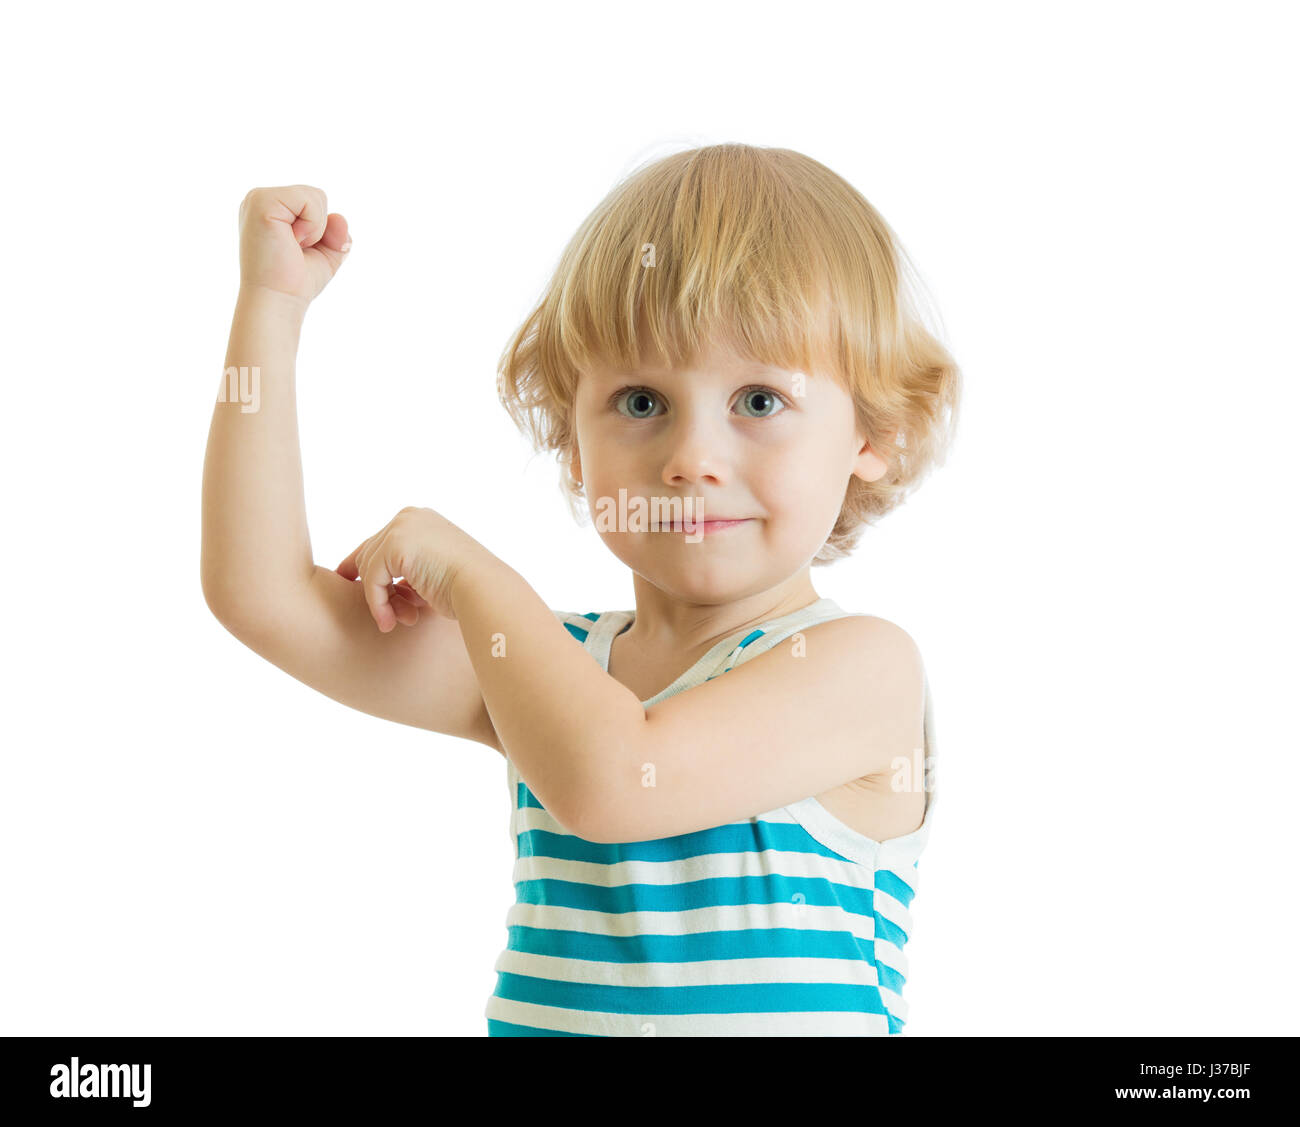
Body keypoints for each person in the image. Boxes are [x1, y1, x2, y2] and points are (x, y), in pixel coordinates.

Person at [201, 143, 961, 1036]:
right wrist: (270, 309)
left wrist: (480, 578)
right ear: (571, 437)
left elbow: (615, 779)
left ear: (875, 431)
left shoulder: (863, 668)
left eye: (759, 401)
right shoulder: (546, 670)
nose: (691, 461)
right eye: (642, 402)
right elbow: (264, 594)